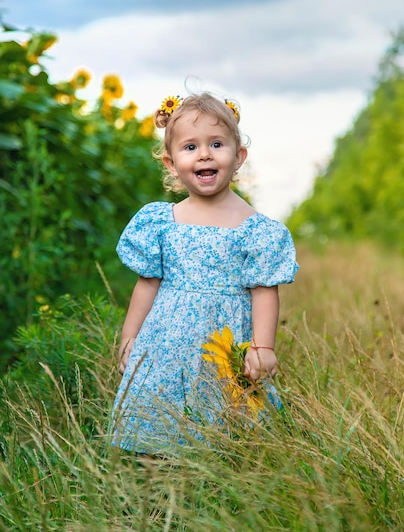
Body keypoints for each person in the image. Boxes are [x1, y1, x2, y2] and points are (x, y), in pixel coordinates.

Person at [111, 91, 299, 454]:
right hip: (166, 343)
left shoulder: (255, 229)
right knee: (158, 423)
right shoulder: (162, 222)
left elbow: (263, 291)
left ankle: (220, 479)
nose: (204, 154)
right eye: (190, 147)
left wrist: (262, 347)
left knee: (228, 422)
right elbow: (147, 283)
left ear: (238, 157)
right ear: (171, 163)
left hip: (226, 342)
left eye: (216, 144)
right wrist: (129, 336)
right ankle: (156, 485)